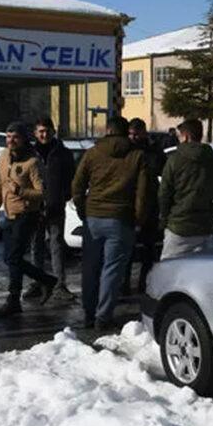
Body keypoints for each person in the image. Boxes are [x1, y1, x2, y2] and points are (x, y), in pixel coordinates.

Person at [71, 116, 148, 330]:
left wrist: (82, 209)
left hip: (93, 216)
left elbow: (77, 185)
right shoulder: (137, 156)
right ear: (126, 132)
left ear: (107, 130)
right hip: (121, 218)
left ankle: (88, 313)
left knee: (90, 266)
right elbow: (142, 194)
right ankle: (103, 316)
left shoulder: (92, 153)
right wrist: (138, 219)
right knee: (112, 270)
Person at [0, 122, 58, 318]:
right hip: (8, 214)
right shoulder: (3, 157)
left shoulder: (33, 162)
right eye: (8, 137)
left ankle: (15, 297)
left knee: (13, 258)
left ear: (24, 139)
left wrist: (21, 191)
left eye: (15, 137)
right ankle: (38, 285)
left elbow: (42, 192)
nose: (10, 141)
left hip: (26, 215)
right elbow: (0, 184)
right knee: (11, 259)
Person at [158, 119, 213, 260]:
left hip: (178, 225)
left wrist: (164, 218)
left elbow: (164, 193)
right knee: (199, 273)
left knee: (169, 271)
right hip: (204, 226)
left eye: (179, 136)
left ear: (186, 137)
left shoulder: (175, 160)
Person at [26, 117, 76, 303]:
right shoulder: (29, 153)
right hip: (34, 207)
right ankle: (38, 282)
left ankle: (59, 284)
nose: (44, 134)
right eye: (40, 131)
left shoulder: (63, 153)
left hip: (55, 207)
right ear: (35, 133)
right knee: (35, 246)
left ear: (53, 131)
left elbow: (71, 177)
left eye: (47, 131)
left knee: (56, 245)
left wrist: (64, 196)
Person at [123, 118, 165, 293]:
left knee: (148, 248)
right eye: (130, 134)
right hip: (129, 202)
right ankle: (124, 283)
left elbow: (162, 170)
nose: (133, 137)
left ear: (143, 133)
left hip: (150, 203)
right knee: (126, 248)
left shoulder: (153, 150)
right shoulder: (126, 150)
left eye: (136, 134)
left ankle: (143, 282)